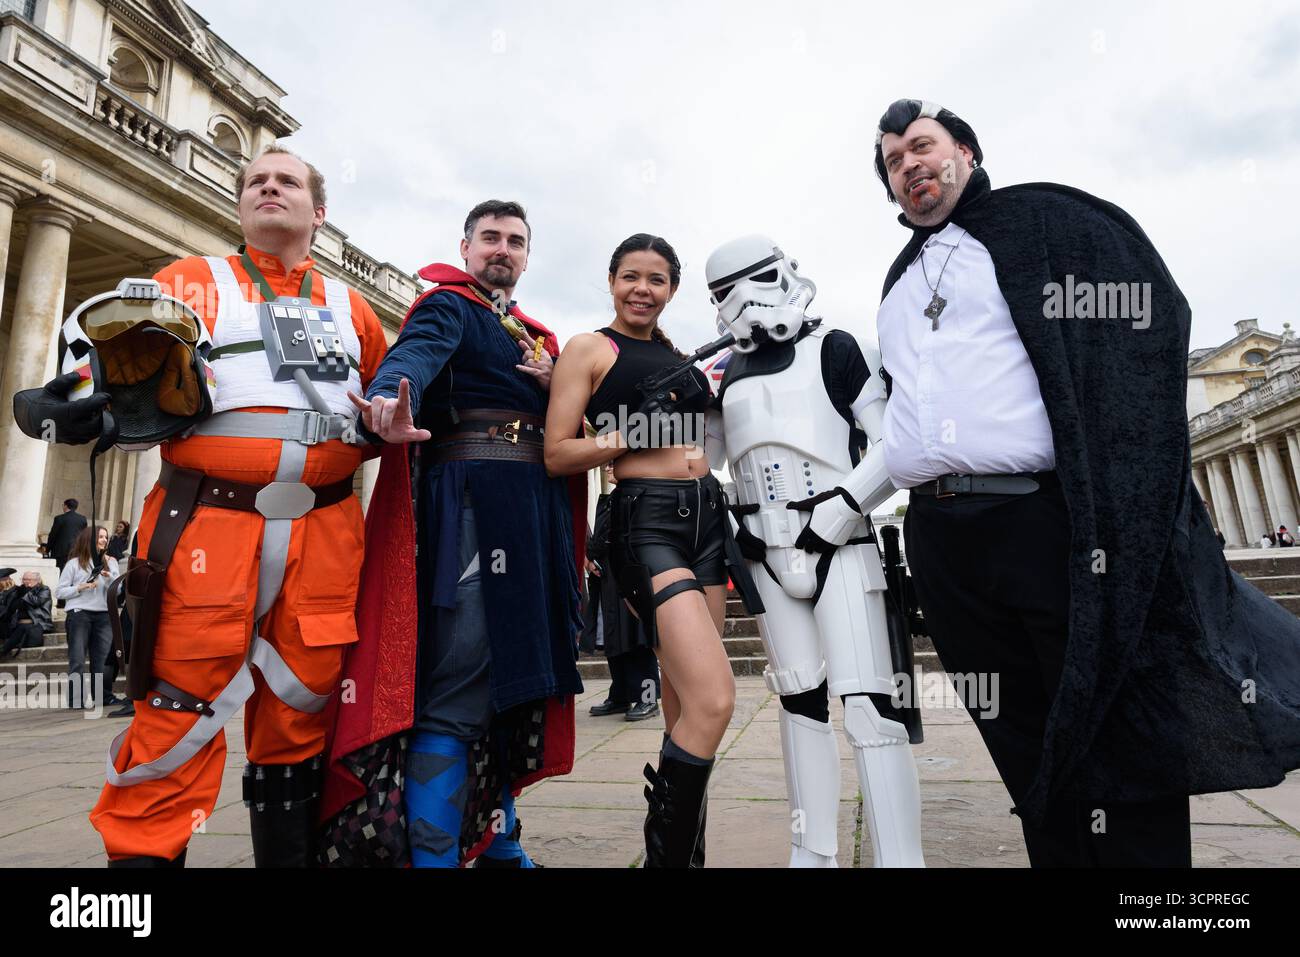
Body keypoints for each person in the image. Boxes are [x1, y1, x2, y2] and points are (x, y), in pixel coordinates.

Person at [873, 98, 1300, 867]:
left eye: (921, 146)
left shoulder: (1047, 223)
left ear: (965, 151)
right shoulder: (898, 281)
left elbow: (1151, 317)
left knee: (1116, 722)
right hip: (944, 542)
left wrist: (1123, 482)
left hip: (1049, 527)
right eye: (892, 160)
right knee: (1023, 736)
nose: (909, 165)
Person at [20, 144, 394, 866]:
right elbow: (105, 358)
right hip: (207, 528)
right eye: (255, 181)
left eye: (286, 180)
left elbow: (387, 401)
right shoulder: (188, 281)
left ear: (320, 211)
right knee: (176, 711)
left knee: (301, 716)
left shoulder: (354, 309)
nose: (268, 188)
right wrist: (74, 396)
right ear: (240, 205)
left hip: (326, 533)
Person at [322, 200, 585, 869]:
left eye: (515, 241)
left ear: (527, 256)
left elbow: (579, 430)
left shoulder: (537, 337)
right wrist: (388, 399)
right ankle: (436, 857)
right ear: (465, 247)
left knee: (512, 688)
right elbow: (413, 356)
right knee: (457, 688)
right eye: (490, 238)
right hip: (473, 512)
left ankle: (500, 846)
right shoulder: (450, 305)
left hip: (533, 521)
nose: (502, 248)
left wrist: (564, 389)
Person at [703, 233, 926, 868]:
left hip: (843, 543)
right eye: (725, 292)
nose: (743, 301)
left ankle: (900, 859)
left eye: (754, 280)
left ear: (784, 275)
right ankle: (812, 852)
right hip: (763, 554)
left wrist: (841, 510)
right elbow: (699, 461)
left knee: (869, 710)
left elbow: (892, 442)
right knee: (799, 704)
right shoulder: (727, 374)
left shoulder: (837, 348)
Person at [545, 233, 734, 868]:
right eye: (631, 276)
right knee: (713, 700)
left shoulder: (681, 356)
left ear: (672, 289)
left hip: (707, 517)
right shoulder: (588, 348)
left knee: (685, 703)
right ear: (610, 280)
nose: (642, 290)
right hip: (645, 522)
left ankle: (684, 857)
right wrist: (616, 438)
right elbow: (556, 452)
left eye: (656, 280)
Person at [583, 471, 661, 722]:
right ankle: (620, 694)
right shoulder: (609, 500)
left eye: (612, 465)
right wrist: (589, 559)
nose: (607, 469)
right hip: (607, 578)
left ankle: (647, 698)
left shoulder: (642, 496)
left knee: (637, 638)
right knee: (613, 638)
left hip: (633, 575)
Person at [55, 526, 118, 708]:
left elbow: (119, 590)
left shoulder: (111, 562)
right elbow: (59, 591)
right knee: (77, 659)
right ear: (89, 539)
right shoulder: (74, 563)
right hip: (79, 614)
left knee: (102, 660)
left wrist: (111, 577)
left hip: (104, 614)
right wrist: (79, 588)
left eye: (106, 537)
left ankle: (103, 697)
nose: (104, 540)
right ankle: (76, 700)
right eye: (100, 537)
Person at [1, 570, 53, 658]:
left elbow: (37, 601)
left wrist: (26, 593)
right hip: (18, 623)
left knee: (22, 628)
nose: (25, 581)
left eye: (29, 579)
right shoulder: (19, 590)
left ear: (38, 581)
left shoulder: (44, 589)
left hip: (37, 623)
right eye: (24, 579)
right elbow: (11, 607)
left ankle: (3, 651)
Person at [45, 499, 88, 572]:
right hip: (75, 551)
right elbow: (84, 536)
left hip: (59, 552)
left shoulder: (59, 518)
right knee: (72, 572)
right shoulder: (82, 519)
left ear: (65, 506)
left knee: (59, 572)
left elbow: (53, 535)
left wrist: (47, 549)